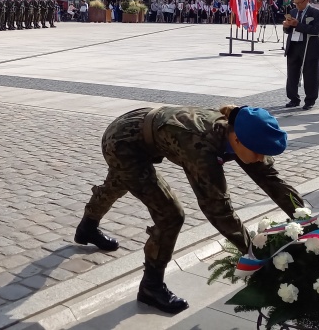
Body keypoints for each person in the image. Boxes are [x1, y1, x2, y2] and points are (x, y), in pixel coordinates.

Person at [75, 105, 301, 313]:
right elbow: (217, 209)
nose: (261, 158)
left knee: (118, 182)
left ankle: (87, 227)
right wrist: (256, 255)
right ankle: (151, 287)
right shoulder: (201, 145)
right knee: (170, 215)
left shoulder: (240, 132)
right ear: (238, 140)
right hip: (123, 143)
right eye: (258, 152)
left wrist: (309, 221)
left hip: (141, 129)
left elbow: (273, 181)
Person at [283, 0, 319, 110]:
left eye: (299, 3)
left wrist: (298, 25)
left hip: (309, 46)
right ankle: (293, 98)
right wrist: (286, 27)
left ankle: (310, 100)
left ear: (306, 0)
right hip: (293, 46)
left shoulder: (316, 12)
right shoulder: (293, 11)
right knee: (292, 74)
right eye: (295, 3)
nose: (296, 6)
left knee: (310, 74)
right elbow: (289, 31)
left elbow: (316, 30)